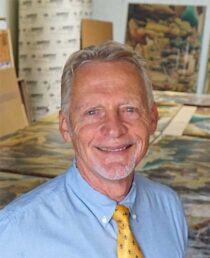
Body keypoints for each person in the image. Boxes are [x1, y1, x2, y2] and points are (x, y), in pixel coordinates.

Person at [0, 41, 188, 257]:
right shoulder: (14, 235)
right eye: (92, 112)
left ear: (152, 118)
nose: (114, 129)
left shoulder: (169, 207)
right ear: (65, 127)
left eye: (129, 109)